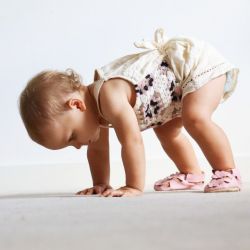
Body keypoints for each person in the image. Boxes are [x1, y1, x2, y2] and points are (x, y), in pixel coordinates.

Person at [19, 28, 242, 197]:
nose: (78, 145)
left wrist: (133, 186)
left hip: (195, 66)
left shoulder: (109, 96)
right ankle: (191, 173)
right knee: (166, 132)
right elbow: (98, 151)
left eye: (72, 136)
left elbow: (132, 141)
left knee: (195, 117)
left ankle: (227, 171)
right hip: (172, 94)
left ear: (76, 105)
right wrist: (100, 184)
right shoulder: (95, 115)